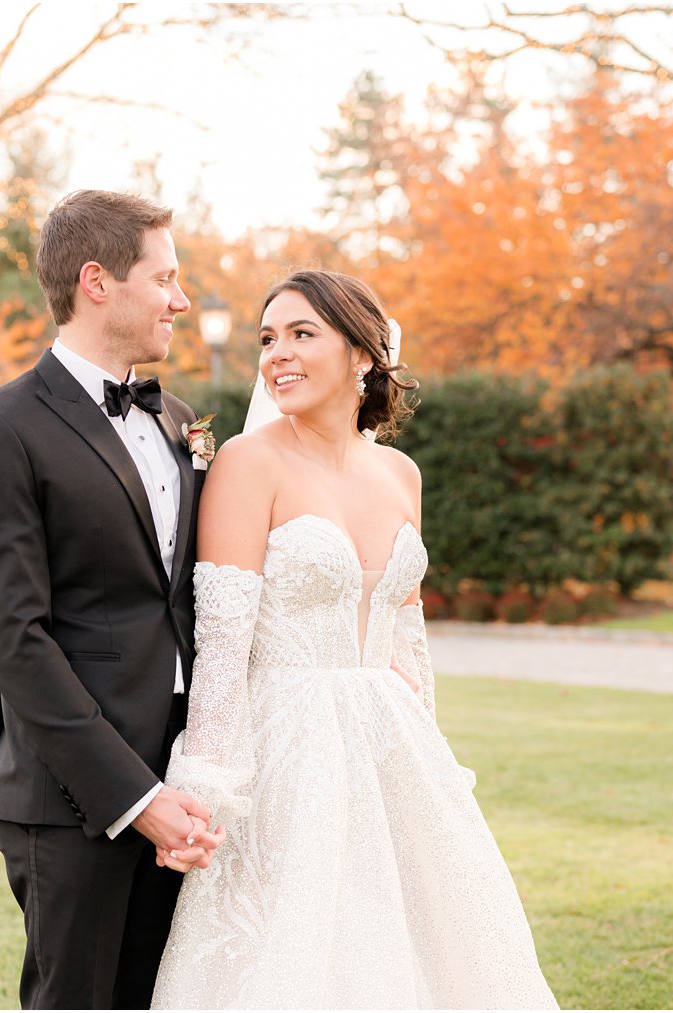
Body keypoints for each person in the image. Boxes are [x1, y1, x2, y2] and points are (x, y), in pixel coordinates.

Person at [151, 270, 559, 1009]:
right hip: (287, 752)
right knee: (298, 954)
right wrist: (202, 789)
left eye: (303, 334)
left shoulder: (403, 475)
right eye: (269, 338)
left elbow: (409, 639)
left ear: (363, 355)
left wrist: (428, 757)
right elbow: (224, 643)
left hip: (392, 751)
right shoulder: (249, 461)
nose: (278, 354)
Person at [0, 189, 225, 1010]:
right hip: (75, 797)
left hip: (188, 781)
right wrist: (134, 798)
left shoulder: (175, 418)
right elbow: (15, 639)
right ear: (97, 282)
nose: (180, 298)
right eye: (165, 277)